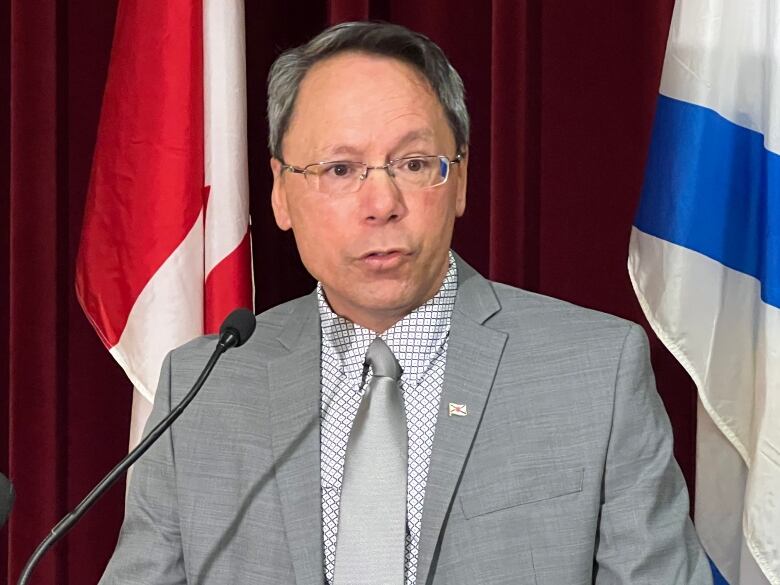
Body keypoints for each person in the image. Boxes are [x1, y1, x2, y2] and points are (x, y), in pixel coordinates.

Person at [100, 21, 713, 585]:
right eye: (340, 169)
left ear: (461, 182)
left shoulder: (594, 373)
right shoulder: (203, 386)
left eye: (415, 163)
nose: (382, 203)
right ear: (281, 194)